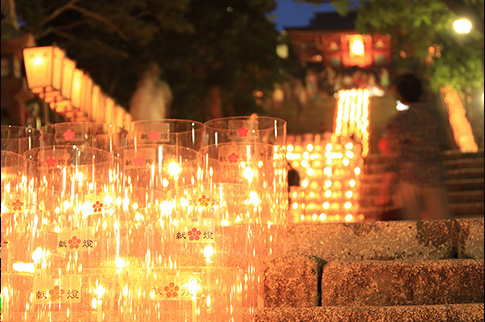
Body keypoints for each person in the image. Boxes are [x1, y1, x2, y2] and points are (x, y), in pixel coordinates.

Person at [374, 73, 450, 220]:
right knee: (440, 231)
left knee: (410, 230)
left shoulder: (399, 121)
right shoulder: (435, 115)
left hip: (409, 181)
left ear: (401, 94)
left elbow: (395, 158)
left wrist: (383, 189)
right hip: (434, 178)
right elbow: (443, 142)